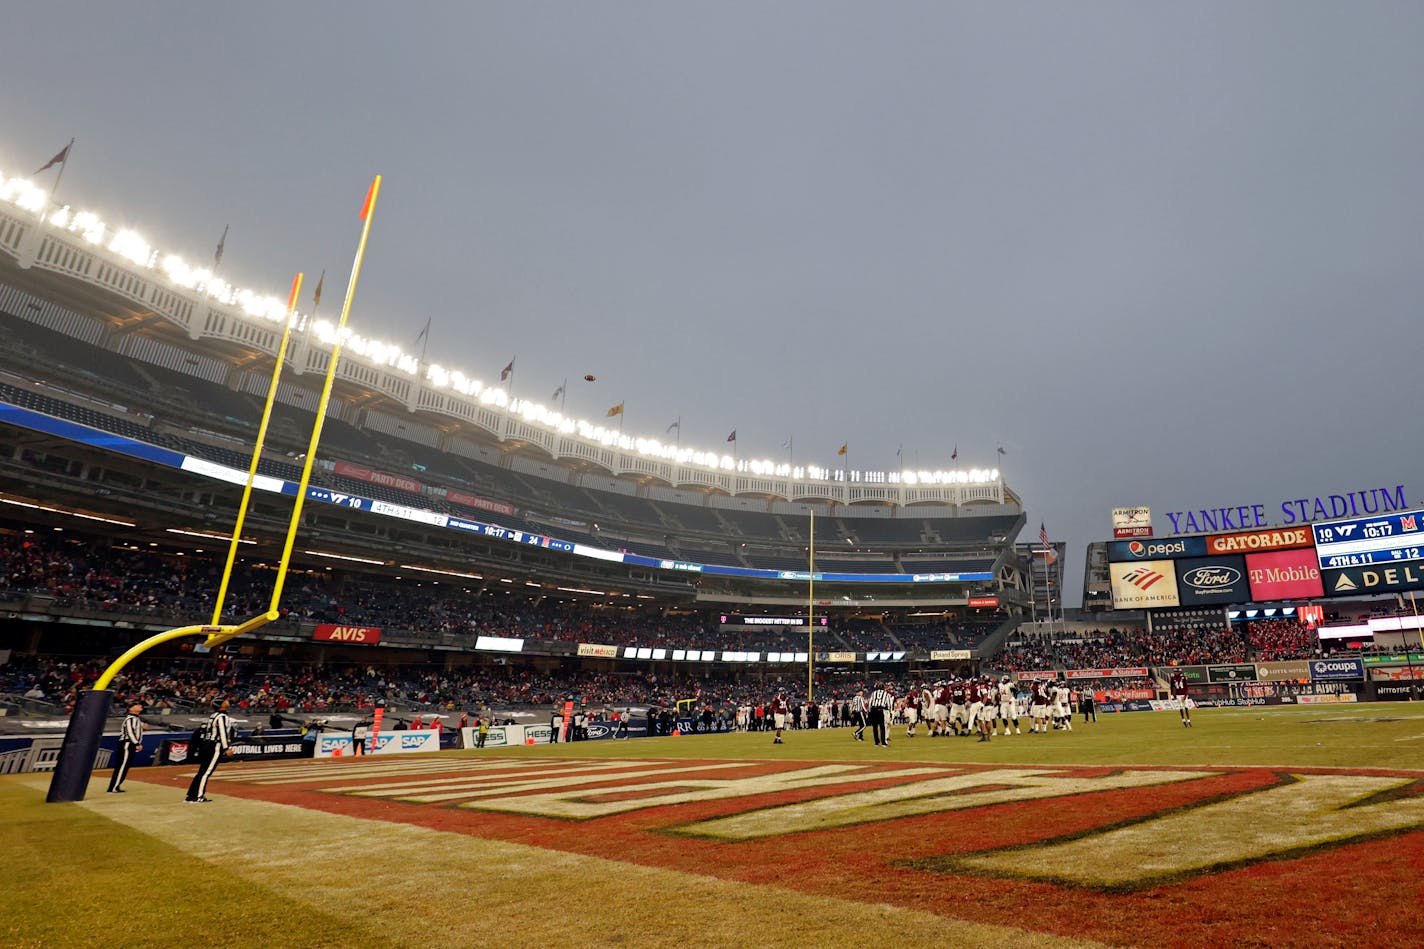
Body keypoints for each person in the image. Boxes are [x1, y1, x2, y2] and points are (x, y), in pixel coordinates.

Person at [186, 699, 234, 803]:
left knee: (202, 771)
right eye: (225, 701)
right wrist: (226, 748)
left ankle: (191, 794)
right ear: (221, 705)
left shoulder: (213, 715)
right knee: (206, 772)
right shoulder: (222, 717)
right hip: (215, 746)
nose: (227, 702)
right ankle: (198, 796)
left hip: (207, 745)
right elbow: (222, 733)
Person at [107, 702, 144, 793]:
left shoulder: (135, 719)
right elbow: (130, 733)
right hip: (127, 744)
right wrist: (137, 743)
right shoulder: (130, 719)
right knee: (122, 766)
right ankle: (113, 787)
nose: (140, 706)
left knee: (124, 766)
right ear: (131, 709)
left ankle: (116, 785)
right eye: (137, 705)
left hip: (129, 744)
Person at [867, 682, 893, 747]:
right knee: (882, 727)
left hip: (873, 710)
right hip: (880, 710)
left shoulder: (873, 693)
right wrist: (890, 712)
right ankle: (883, 743)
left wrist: (869, 711)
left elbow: (870, 702)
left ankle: (876, 742)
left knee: (875, 727)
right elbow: (889, 704)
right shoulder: (886, 694)